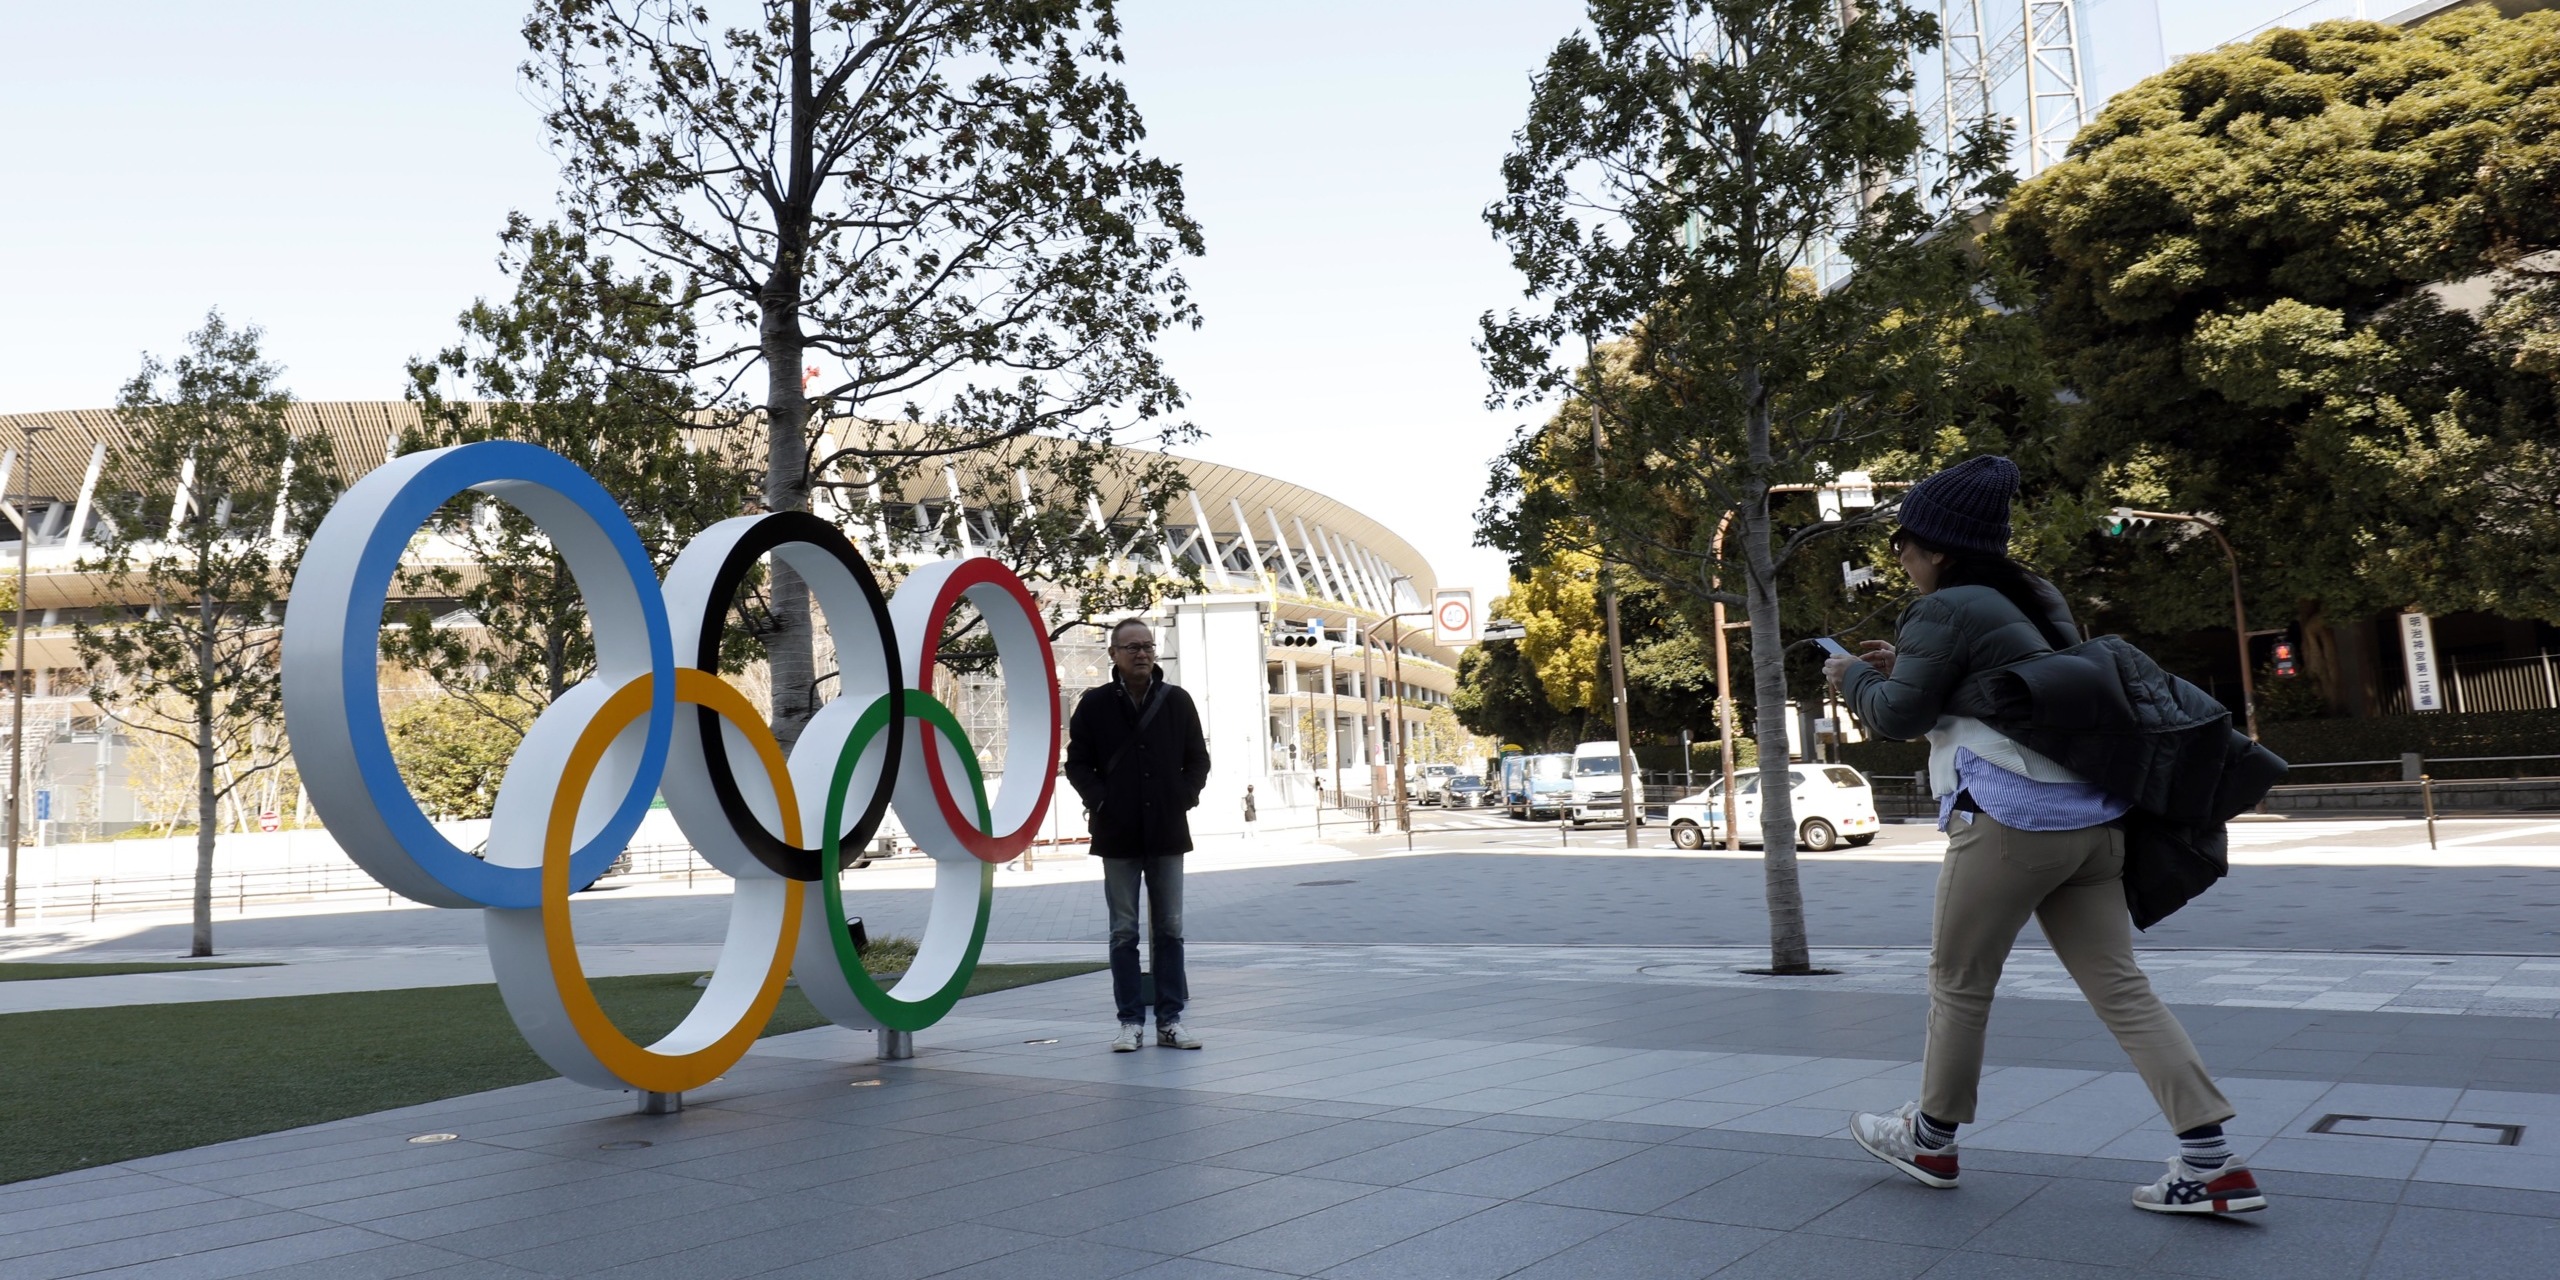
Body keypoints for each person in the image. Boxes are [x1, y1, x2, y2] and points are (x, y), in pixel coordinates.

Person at [1827, 455, 2266, 1217]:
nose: (1898, 555)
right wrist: (1905, 669)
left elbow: (1898, 718)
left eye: (1904, 541)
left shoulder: (1941, 608)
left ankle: (1930, 1138)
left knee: (1960, 981)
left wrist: (1853, 679)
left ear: (1938, 545)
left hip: (2012, 824)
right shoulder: (2036, 596)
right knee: (2123, 990)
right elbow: (2016, 691)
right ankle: (2213, 1164)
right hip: (2097, 825)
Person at [1064, 618, 1212, 1053]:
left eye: (1147, 646)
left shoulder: (1177, 701)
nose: (1142, 653)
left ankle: (1170, 1020)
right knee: (1123, 932)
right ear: (1113, 654)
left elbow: (1198, 759)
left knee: (1169, 929)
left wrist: (1183, 796)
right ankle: (1130, 1021)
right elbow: (1078, 763)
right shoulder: (1094, 704)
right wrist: (1102, 800)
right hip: (1117, 832)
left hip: (1167, 830)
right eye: (1131, 647)